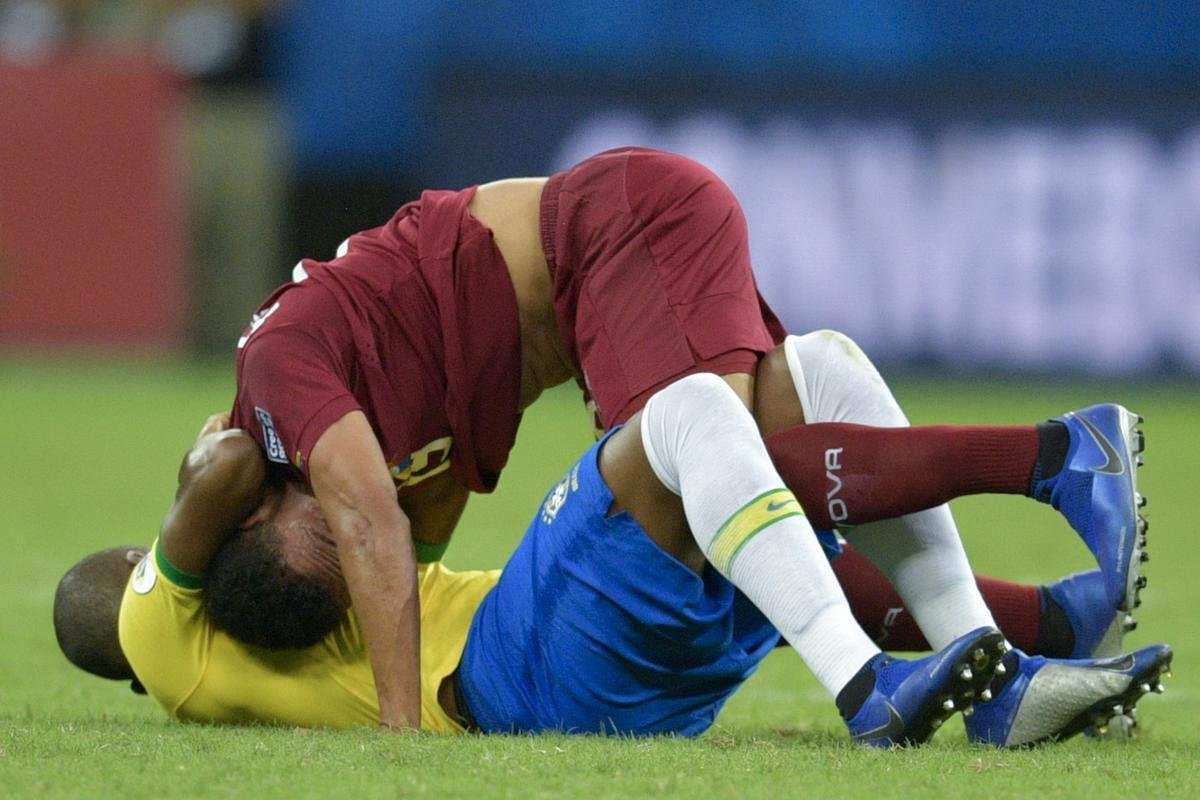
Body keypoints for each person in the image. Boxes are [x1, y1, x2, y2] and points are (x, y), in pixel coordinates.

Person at [215, 148, 1146, 729]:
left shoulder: (279, 373)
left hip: (615, 234)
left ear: (255, 505)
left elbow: (372, 521)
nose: (348, 536)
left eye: (322, 536)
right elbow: (411, 539)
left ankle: (1050, 464)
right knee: (802, 399)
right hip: (618, 252)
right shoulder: (369, 423)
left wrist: (399, 730)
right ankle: (1004, 663)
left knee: (707, 459)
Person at [55, 376, 1171, 747]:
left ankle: (1023, 633)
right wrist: (241, 418)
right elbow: (227, 463)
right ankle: (1053, 461)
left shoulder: (259, 624)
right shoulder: (160, 639)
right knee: (681, 413)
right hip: (513, 673)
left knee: (799, 390)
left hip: (566, 662)